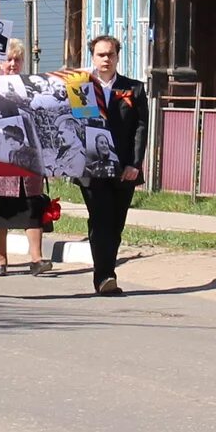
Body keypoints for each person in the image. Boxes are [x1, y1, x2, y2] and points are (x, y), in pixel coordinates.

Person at [76, 33, 146, 296]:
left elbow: (141, 129)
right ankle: (105, 276)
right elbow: (77, 127)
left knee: (115, 224)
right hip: (91, 169)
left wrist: (135, 164)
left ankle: (106, 271)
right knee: (100, 219)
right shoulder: (81, 89)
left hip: (123, 169)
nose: (106, 59)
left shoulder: (134, 89)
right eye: (101, 54)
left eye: (111, 54)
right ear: (92, 57)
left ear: (118, 57)